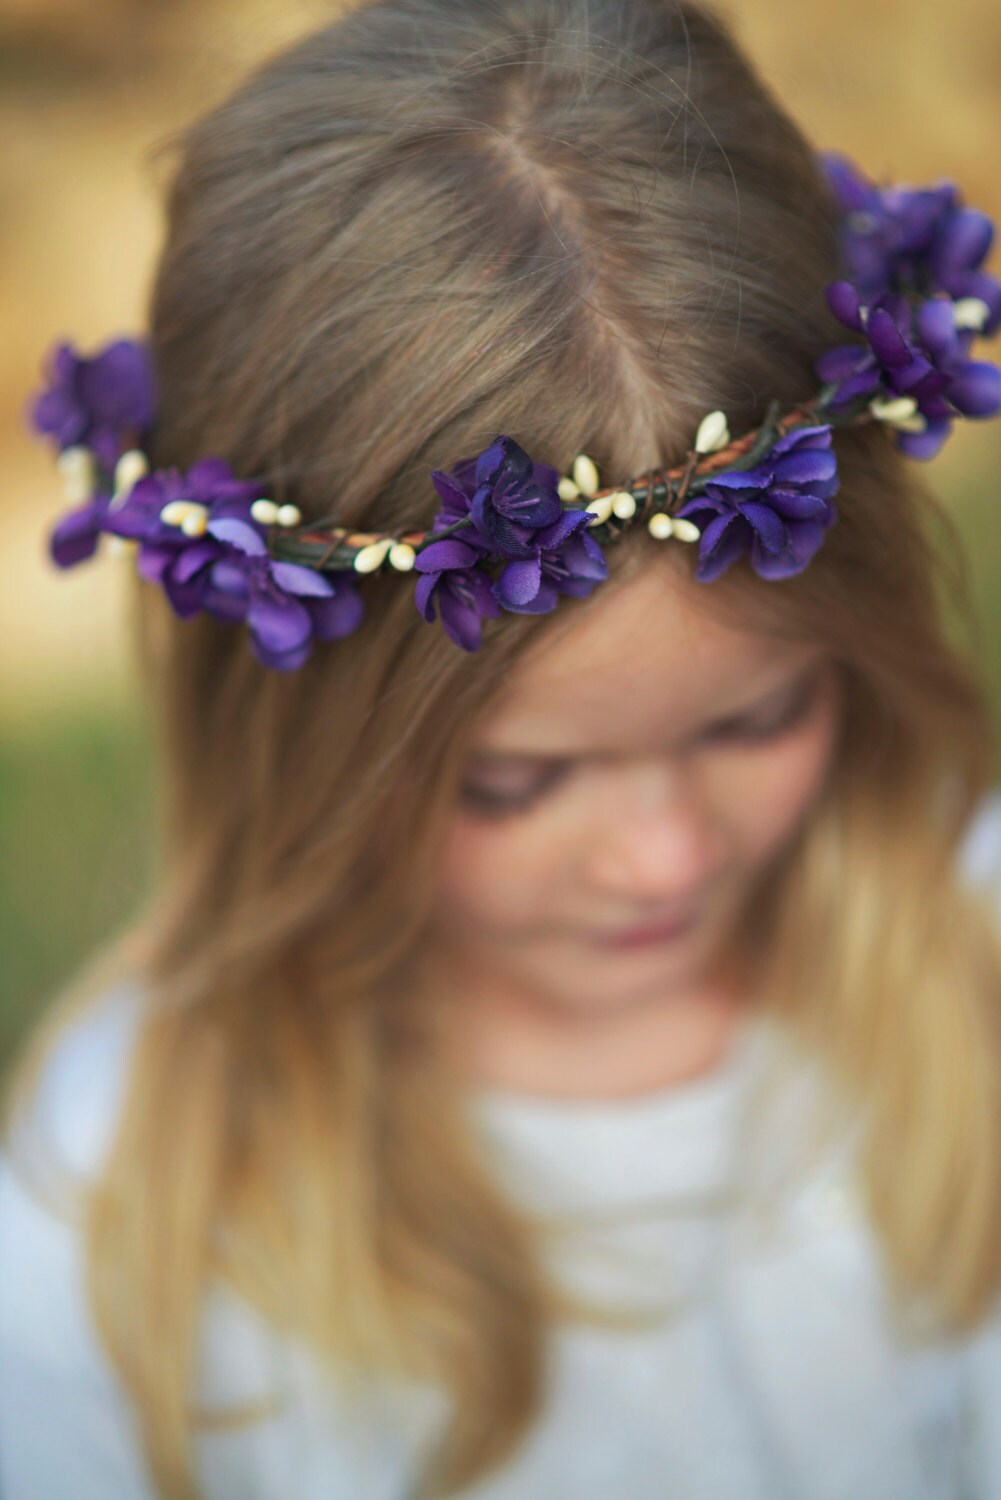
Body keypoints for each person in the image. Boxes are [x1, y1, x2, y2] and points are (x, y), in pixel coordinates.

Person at [4, 1, 1001, 1497]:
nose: (664, 854)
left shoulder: (969, 950)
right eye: (513, 784)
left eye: (760, 718)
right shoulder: (126, 1197)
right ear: (289, 736)